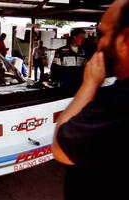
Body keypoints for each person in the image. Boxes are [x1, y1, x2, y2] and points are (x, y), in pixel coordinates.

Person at [51, 0, 129, 199]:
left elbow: (61, 148)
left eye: (102, 34)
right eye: (84, 36)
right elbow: (56, 72)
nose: (96, 42)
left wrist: (87, 83)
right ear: (75, 37)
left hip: (80, 95)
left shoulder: (116, 100)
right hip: (69, 93)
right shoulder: (62, 52)